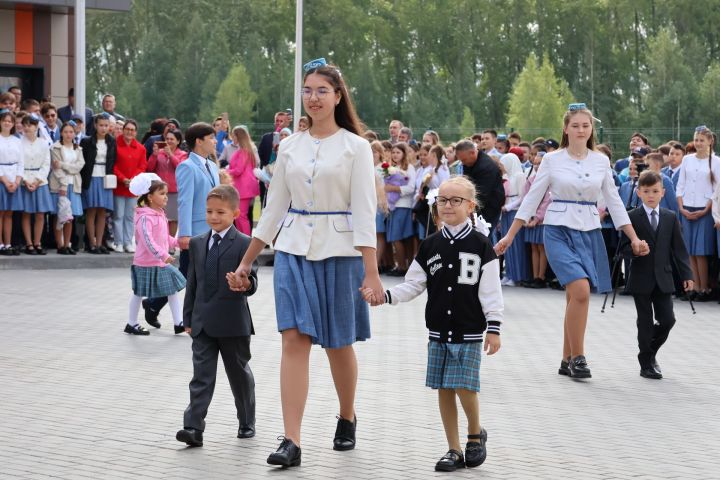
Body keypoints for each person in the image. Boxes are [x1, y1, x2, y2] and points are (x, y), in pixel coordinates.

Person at [229, 58, 382, 468]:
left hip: (341, 253)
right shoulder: (290, 146)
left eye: (322, 91)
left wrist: (372, 272)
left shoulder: (357, 147)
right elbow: (274, 207)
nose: (313, 98)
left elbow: (365, 212)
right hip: (294, 250)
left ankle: (347, 416)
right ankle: (291, 440)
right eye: (307, 90)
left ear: (337, 96)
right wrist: (246, 262)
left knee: (337, 343)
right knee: (293, 340)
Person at [495, 103, 649, 379]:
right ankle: (579, 357)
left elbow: (614, 203)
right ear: (566, 128)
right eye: (575, 125)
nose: (580, 130)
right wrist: (510, 235)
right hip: (557, 230)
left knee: (573, 297)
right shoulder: (553, 160)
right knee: (580, 290)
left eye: (585, 125)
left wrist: (634, 238)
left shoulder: (601, 161)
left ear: (592, 129)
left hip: (589, 230)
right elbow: (532, 199)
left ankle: (566, 358)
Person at [362, 176, 502, 472]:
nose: (448, 206)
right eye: (442, 200)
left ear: (470, 206)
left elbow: (491, 290)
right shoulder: (429, 245)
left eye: (456, 201)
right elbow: (413, 284)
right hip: (438, 329)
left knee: (465, 385)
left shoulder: (480, 245)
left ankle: (475, 435)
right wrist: (385, 296)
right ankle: (452, 448)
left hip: (470, 329)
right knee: (444, 388)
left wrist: (494, 327)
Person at [176, 184, 257, 446]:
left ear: (235, 213)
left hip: (233, 323)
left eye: (220, 212)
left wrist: (243, 283)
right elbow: (193, 282)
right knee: (201, 377)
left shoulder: (245, 243)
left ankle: (246, 421)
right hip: (202, 323)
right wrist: (187, 318)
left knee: (239, 376)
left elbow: (252, 281)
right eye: (209, 211)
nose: (213, 217)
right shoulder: (198, 243)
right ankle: (193, 427)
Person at [141, 123, 220, 328]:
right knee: (186, 276)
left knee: (192, 275)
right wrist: (184, 234)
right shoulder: (187, 166)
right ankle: (162, 307)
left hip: (211, 230)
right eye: (211, 137)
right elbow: (185, 201)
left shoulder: (211, 165)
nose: (215, 141)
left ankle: (154, 304)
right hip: (194, 233)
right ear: (199, 141)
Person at [623, 171, 693, 380]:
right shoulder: (632, 217)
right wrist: (634, 250)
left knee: (668, 320)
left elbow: (679, 250)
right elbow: (623, 249)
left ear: (663, 192)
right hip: (640, 277)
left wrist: (687, 274)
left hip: (664, 277)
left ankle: (649, 351)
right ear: (639, 192)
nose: (651, 195)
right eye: (646, 191)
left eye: (655, 191)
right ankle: (646, 363)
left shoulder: (670, 217)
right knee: (644, 321)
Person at [124, 173, 185, 335]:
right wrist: (163, 255)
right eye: (162, 193)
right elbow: (148, 240)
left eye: (166, 193)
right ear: (150, 197)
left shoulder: (160, 214)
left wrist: (177, 243)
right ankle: (131, 323)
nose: (166, 197)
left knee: (172, 289)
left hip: (159, 261)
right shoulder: (145, 217)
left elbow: (164, 237)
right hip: (145, 262)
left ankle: (179, 322)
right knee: (138, 293)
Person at [676, 125, 720, 302]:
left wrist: (706, 209)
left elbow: (716, 189)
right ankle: (693, 287)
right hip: (687, 207)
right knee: (690, 251)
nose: (698, 143)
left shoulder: (716, 161)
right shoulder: (687, 160)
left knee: (700, 251)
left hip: (705, 209)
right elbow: (680, 185)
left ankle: (704, 288)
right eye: (696, 140)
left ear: (710, 141)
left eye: (702, 140)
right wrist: (681, 207)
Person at [80, 113, 116, 254]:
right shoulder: (87, 141)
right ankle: (92, 243)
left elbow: (113, 160)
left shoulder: (112, 141)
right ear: (95, 125)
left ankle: (100, 242)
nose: (103, 128)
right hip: (91, 177)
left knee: (102, 211)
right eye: (101, 125)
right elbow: (83, 162)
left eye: (106, 125)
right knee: (91, 210)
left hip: (105, 178)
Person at [454, 140, 504, 237]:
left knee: (483, 238)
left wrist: (466, 210)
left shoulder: (486, 166)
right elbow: (466, 184)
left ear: (472, 153)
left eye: (464, 160)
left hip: (488, 208)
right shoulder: (469, 163)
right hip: (474, 206)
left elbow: (481, 195)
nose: (462, 163)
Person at [19, 113, 52, 254]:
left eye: (30, 124)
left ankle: (38, 242)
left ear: (37, 126)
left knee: (40, 214)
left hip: (40, 181)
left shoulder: (43, 143)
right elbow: (18, 163)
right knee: (26, 213)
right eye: (25, 124)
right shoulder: (19, 142)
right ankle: (29, 243)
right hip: (24, 180)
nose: (27, 127)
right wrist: (26, 180)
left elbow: (46, 163)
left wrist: (38, 180)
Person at [50, 122, 84, 254]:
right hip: (60, 185)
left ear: (74, 134)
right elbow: (55, 168)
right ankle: (60, 244)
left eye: (71, 132)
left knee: (69, 217)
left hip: (73, 184)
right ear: (61, 133)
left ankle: (67, 243)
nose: (68, 134)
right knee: (60, 215)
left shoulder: (78, 149)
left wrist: (63, 165)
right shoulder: (56, 147)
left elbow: (79, 167)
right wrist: (64, 183)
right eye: (66, 132)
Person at [112, 119, 146, 253]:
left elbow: (142, 166)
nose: (129, 132)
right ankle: (118, 242)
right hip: (119, 186)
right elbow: (113, 165)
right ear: (123, 129)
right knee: (118, 215)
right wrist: (123, 179)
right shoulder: (115, 144)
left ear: (136, 133)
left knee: (130, 216)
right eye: (127, 129)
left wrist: (133, 179)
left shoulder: (140, 148)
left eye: (132, 130)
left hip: (133, 187)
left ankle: (127, 242)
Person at [147, 129, 187, 236]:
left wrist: (171, 155)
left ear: (178, 141)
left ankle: (171, 243)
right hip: (159, 190)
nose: (169, 141)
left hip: (174, 190)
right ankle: (160, 241)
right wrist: (154, 155)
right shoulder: (159, 153)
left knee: (173, 218)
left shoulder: (183, 154)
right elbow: (150, 168)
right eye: (167, 139)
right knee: (159, 218)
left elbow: (181, 168)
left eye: (172, 139)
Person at [384, 141, 416, 275]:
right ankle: (402, 265)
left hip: (403, 205)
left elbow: (411, 187)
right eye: (393, 152)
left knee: (397, 237)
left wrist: (394, 188)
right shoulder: (390, 168)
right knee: (395, 236)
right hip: (393, 206)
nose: (395, 155)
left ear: (404, 154)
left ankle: (403, 266)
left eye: (398, 152)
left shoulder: (409, 168)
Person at [499, 152, 529, 286]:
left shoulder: (519, 176)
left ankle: (517, 275)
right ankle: (510, 273)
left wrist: (509, 206)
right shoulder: (507, 176)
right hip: (506, 211)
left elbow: (522, 197)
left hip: (514, 212)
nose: (502, 167)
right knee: (506, 245)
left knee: (515, 245)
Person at [226, 127, 259, 235]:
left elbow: (238, 170)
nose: (232, 137)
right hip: (244, 187)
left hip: (243, 187)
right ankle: (244, 240)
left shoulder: (243, 152)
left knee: (241, 216)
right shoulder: (246, 150)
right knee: (240, 216)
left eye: (234, 135)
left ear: (239, 137)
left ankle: (245, 241)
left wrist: (226, 171)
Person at [0, 109, 23, 255]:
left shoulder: (17, 140)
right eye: (4, 120)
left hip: (14, 179)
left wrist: (16, 181)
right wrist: (5, 181)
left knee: (9, 213)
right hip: (2, 179)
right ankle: (0, 244)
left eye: (10, 121)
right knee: (1, 213)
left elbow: (21, 163)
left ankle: (8, 243)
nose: (7, 123)